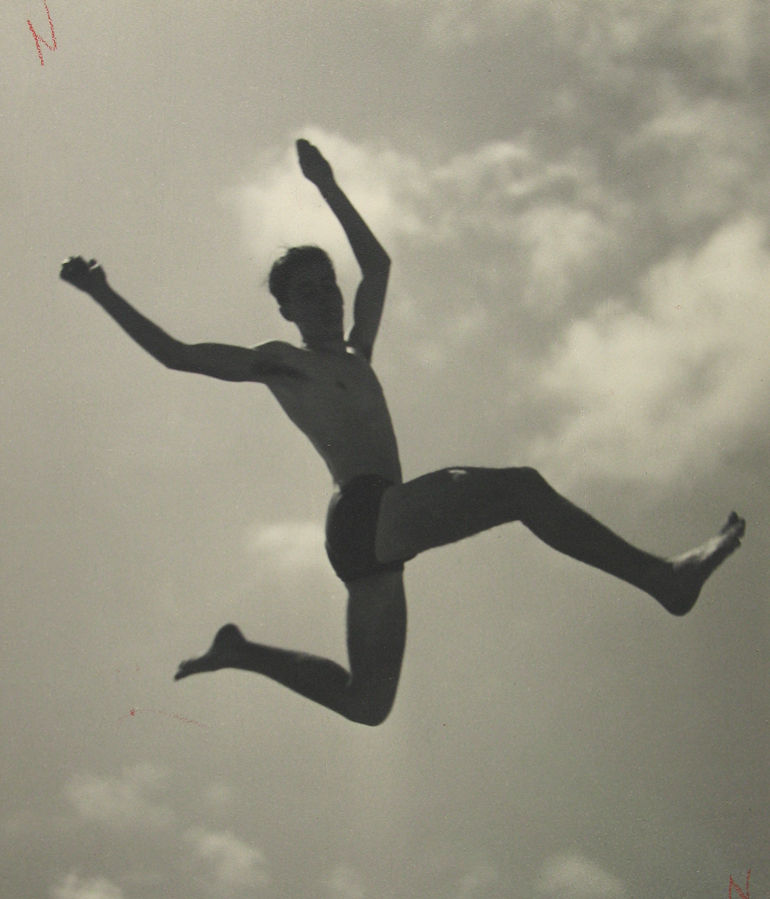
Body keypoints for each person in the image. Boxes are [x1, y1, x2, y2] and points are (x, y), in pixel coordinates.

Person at [60, 139, 746, 726]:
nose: (326, 297)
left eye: (328, 285)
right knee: (522, 491)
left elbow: (379, 267)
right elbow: (177, 355)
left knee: (368, 704)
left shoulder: (358, 355)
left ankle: (241, 651)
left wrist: (328, 186)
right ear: (286, 309)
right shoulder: (284, 363)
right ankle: (663, 579)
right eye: (308, 293)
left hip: (373, 544)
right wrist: (102, 294)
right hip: (365, 510)